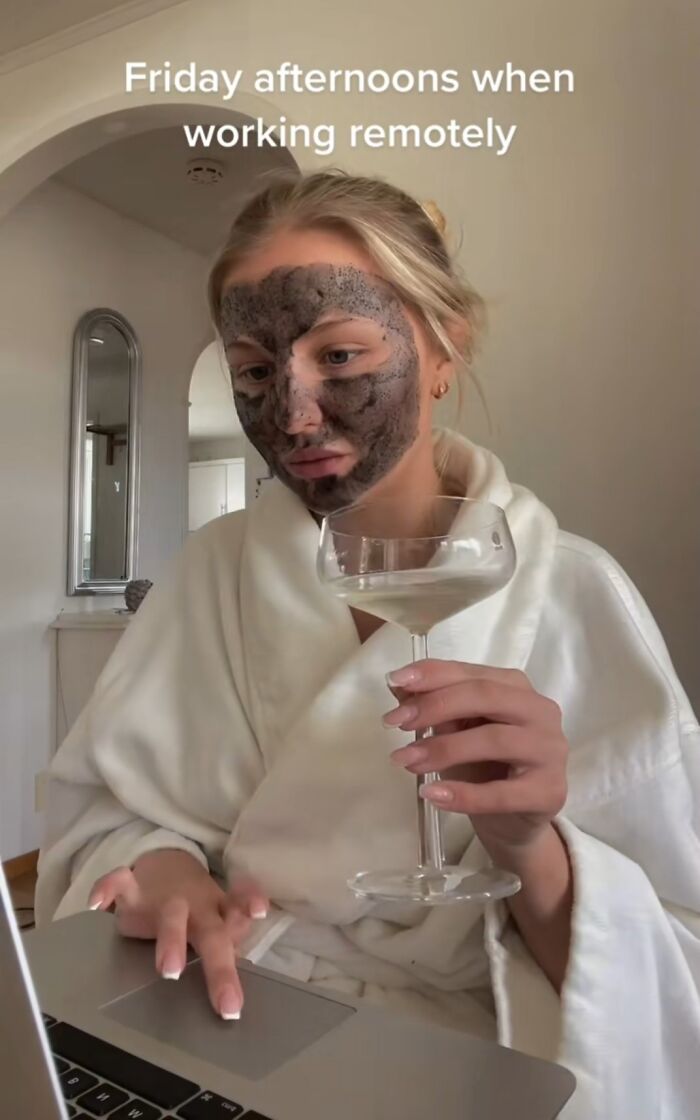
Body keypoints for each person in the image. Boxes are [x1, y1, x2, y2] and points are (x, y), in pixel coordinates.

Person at [36, 170, 700, 1119]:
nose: (294, 418)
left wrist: (531, 846)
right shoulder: (208, 575)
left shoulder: (575, 591)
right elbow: (104, 811)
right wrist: (160, 867)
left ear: (442, 347)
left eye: (341, 356)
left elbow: (677, 968)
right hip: (224, 1014)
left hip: (473, 1053)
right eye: (256, 375)